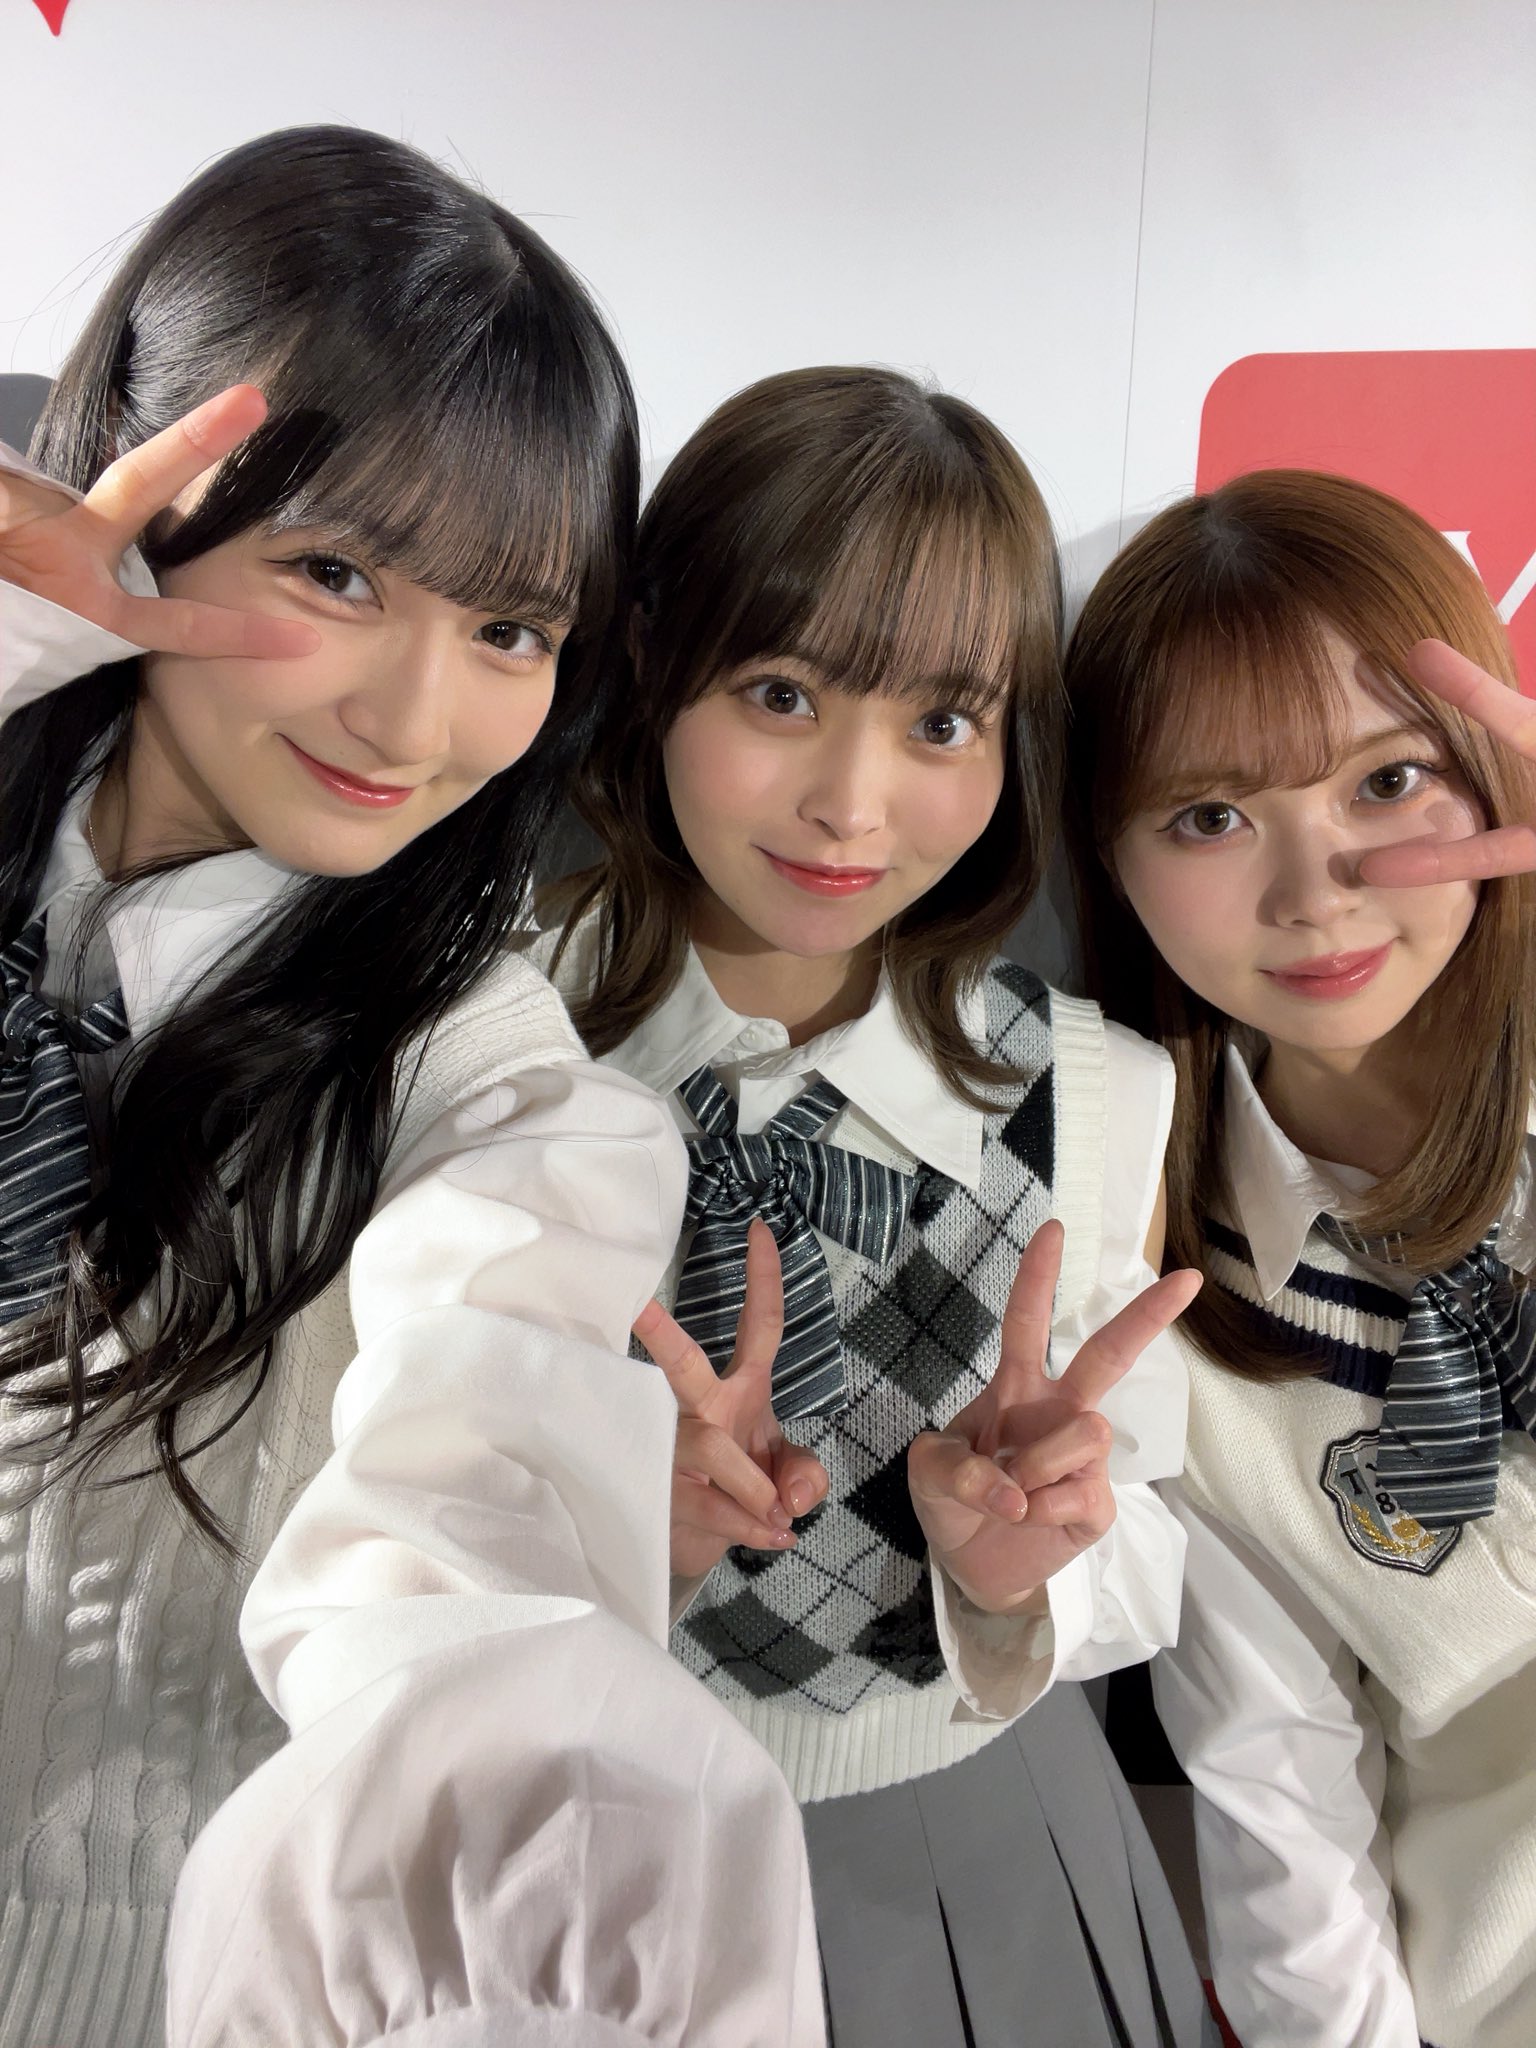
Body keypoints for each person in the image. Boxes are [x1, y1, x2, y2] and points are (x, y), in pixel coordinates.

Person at [0, 126, 818, 2047]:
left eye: (510, 630)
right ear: (139, 496)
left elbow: (477, 1548)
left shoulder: (494, 1096)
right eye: (340, 572)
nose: (416, 718)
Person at [533, 365, 1218, 2047]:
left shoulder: (1096, 1086)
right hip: (570, 1831)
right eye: (779, 692)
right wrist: (618, 1534)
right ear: (651, 665)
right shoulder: (487, 1051)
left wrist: (1017, 1569)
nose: (852, 805)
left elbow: (1146, 1548)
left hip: (983, 1843)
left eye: (941, 724)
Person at [1062, 468, 1536, 2048]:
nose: (1315, 887)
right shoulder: (1164, 1294)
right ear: (1110, 858)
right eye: (1211, 816)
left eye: (1390, 781)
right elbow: (1282, 1804)